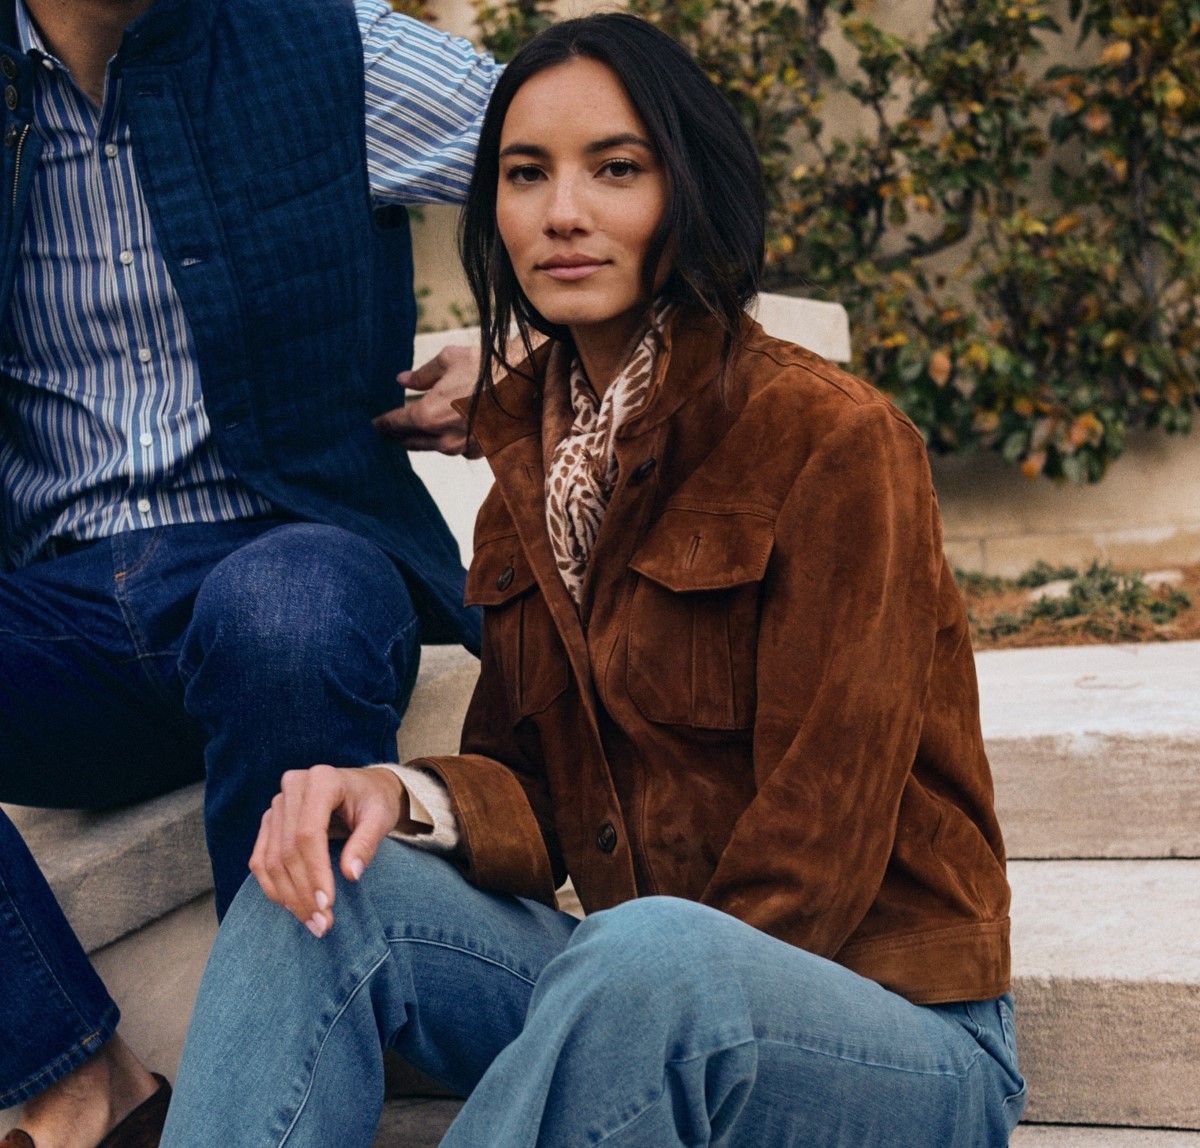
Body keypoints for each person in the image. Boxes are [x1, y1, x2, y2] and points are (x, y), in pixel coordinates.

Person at [160, 13, 1027, 1147]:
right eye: (526, 175)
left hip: (890, 1030)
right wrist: (398, 796)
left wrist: (626, 981)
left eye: (615, 169)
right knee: (322, 879)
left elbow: (819, 844)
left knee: (646, 955)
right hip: (647, 991)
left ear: (688, 192)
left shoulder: (831, 439)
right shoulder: (535, 453)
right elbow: (525, 784)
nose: (563, 213)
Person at [0, 0, 500, 1144]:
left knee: (281, 612)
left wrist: (534, 353)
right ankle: (78, 1080)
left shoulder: (330, 41)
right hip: (56, 610)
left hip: (291, 549)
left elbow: (643, 151)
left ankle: (267, 1101)